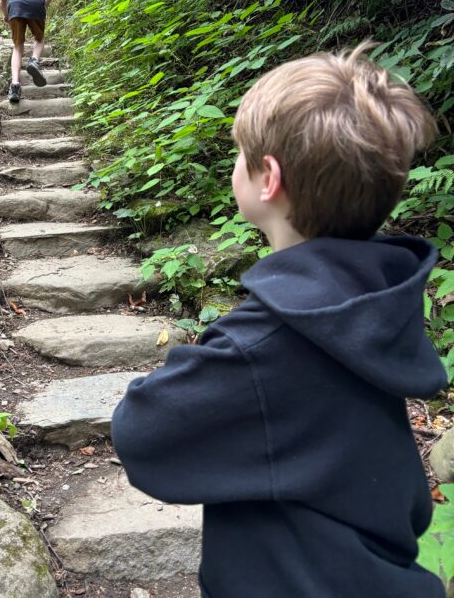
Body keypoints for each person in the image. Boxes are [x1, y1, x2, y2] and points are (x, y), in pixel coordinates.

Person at [111, 45, 447, 598]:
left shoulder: (266, 340)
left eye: (241, 155)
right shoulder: (375, 306)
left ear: (268, 179)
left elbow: (142, 433)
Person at [0, 0, 58, 103]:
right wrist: (45, 3)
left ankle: (15, 86)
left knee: (17, 47)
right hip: (36, 4)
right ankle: (34, 61)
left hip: (15, 6)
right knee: (39, 39)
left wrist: (6, 16)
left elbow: (2, 1)